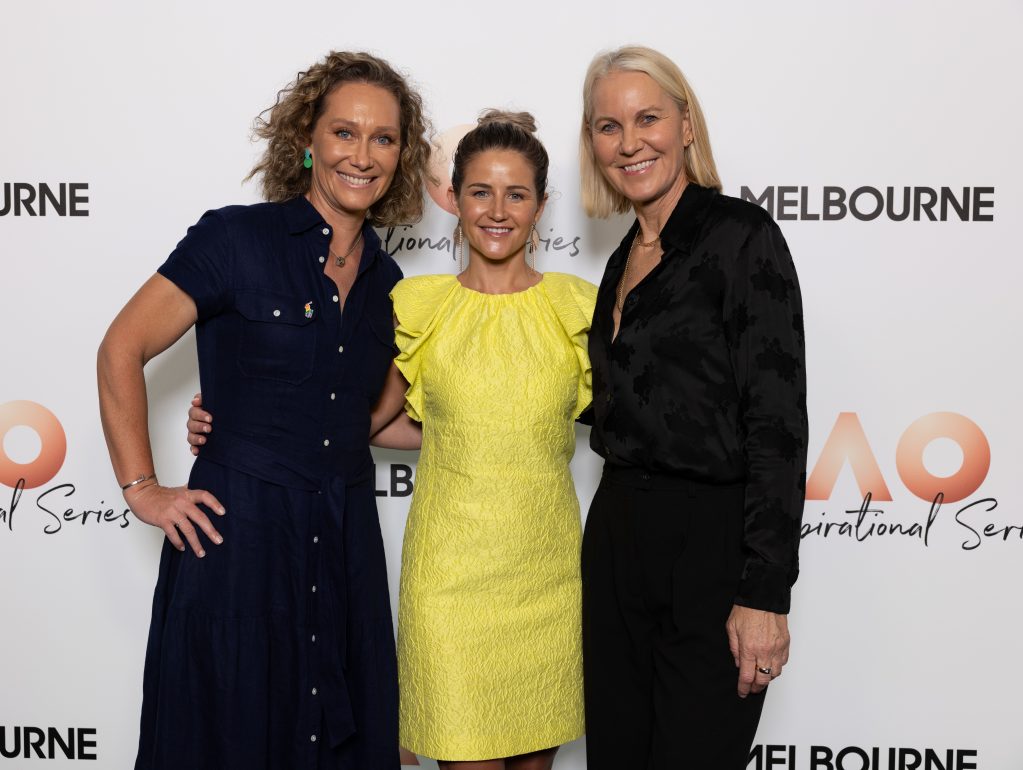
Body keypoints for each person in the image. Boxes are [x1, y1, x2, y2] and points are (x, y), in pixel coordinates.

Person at [189, 111, 595, 770]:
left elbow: (635, 422)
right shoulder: (418, 306)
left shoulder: (576, 307)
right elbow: (358, 417)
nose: (497, 210)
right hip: (450, 586)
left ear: (542, 206)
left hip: (545, 582)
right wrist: (234, 419)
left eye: (516, 194)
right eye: (480, 192)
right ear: (453, 200)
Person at [96, 50, 431, 770]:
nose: (362, 156)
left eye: (383, 138)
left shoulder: (389, 284)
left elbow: (367, 422)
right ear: (307, 140)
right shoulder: (234, 239)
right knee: (226, 734)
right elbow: (121, 347)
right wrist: (143, 489)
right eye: (344, 133)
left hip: (343, 543)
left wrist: (494, 433)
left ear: (402, 156)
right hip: (236, 543)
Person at [577, 46, 808, 769]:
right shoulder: (622, 256)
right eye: (607, 126)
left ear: (684, 124)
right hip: (616, 532)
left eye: (647, 117)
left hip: (708, 542)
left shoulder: (742, 238)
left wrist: (764, 594)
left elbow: (775, 423)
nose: (629, 141)